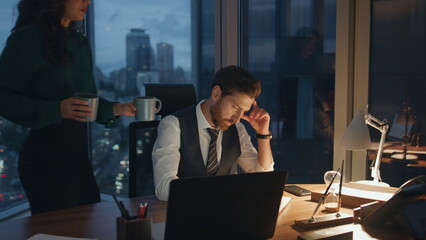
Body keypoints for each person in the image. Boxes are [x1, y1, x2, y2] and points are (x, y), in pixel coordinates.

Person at [0, 0, 135, 214]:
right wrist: (57, 109)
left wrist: (120, 109)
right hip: (45, 161)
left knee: (88, 228)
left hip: (78, 160)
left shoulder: (79, 43)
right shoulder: (27, 39)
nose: (88, 1)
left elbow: (86, 104)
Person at [152, 65, 274, 201]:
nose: (238, 118)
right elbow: (163, 188)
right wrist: (223, 189)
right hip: (185, 213)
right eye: (235, 107)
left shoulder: (238, 129)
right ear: (216, 94)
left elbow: (263, 178)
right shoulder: (173, 124)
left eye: (244, 111)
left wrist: (263, 134)